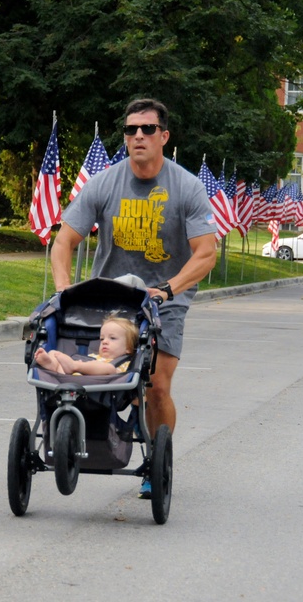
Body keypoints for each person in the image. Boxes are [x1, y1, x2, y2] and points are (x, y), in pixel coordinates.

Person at [50, 98, 217, 498]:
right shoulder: (104, 183)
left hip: (165, 297)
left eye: (146, 129)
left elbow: (206, 252)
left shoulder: (186, 187)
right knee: (91, 371)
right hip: (110, 298)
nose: (137, 136)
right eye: (130, 130)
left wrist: (170, 289)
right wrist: (62, 290)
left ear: (164, 136)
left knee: (156, 384)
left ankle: (155, 460)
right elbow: (64, 242)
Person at [34, 316, 138, 375]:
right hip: (69, 380)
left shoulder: (125, 363)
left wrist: (77, 365)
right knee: (53, 353)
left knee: (110, 369)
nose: (104, 342)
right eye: (102, 339)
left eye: (112, 338)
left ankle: (74, 366)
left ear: (128, 347)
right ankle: (53, 366)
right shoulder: (94, 356)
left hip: (100, 387)